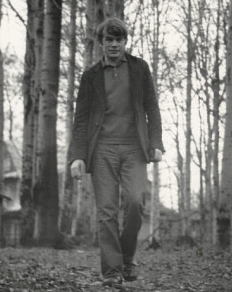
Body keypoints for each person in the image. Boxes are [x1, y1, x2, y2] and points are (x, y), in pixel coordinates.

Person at [69, 17, 164, 287]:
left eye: (118, 40)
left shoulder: (139, 68)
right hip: (102, 150)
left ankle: (127, 258)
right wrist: (77, 156)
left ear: (125, 42)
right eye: (108, 40)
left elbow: (152, 107)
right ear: (101, 43)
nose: (113, 44)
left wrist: (156, 143)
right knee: (107, 212)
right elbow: (81, 119)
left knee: (135, 203)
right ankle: (112, 272)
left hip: (135, 149)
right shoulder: (90, 76)